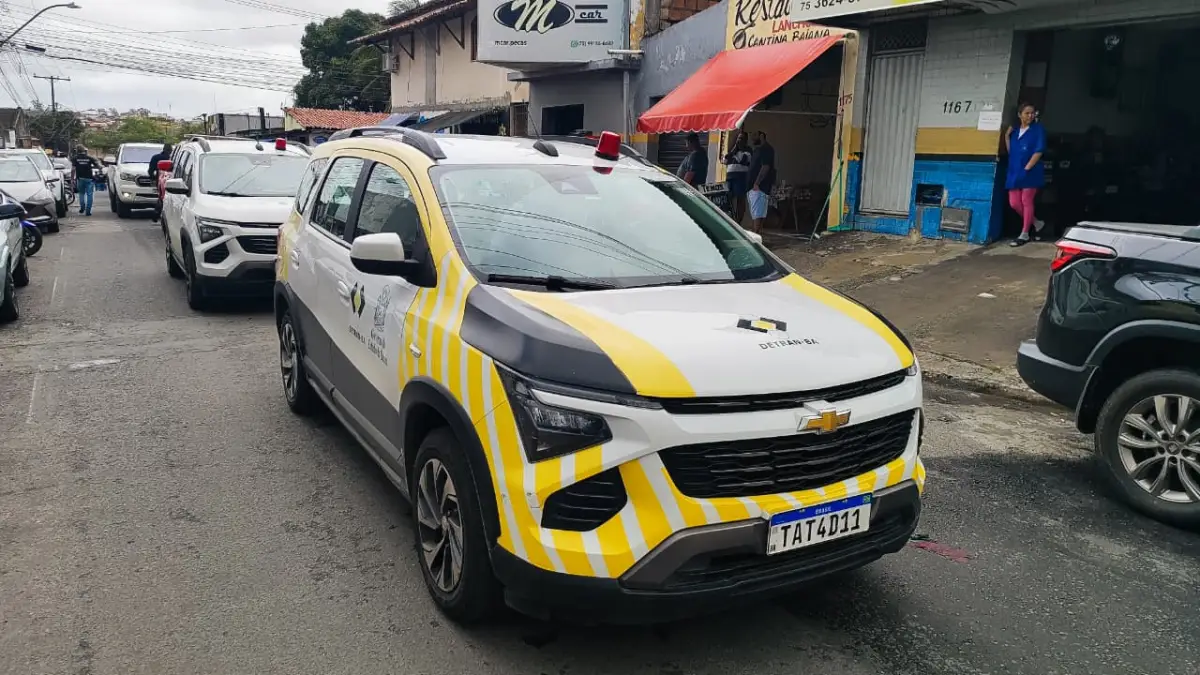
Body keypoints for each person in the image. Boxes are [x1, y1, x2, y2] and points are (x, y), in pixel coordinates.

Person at [1004, 103, 1046, 246]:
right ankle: (1037, 223)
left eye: (1032, 113)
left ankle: (1025, 233)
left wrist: (1027, 168)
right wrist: (1007, 137)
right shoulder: (1015, 132)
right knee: (1014, 203)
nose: (1030, 116)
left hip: (1030, 171)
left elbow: (1039, 151)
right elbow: (1011, 152)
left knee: (1026, 201)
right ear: (1019, 115)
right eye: (1027, 113)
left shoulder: (1037, 130)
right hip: (1014, 171)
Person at [746, 130, 775, 234]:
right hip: (755, 186)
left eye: (754, 135)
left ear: (761, 136)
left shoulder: (766, 149)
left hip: (759, 187)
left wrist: (757, 183)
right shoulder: (758, 150)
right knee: (757, 212)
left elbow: (765, 166)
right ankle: (756, 232)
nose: (752, 138)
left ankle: (755, 233)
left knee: (757, 212)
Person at [722, 131, 752, 223]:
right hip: (730, 176)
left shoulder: (748, 150)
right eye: (738, 138)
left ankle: (739, 221)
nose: (739, 140)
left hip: (740, 177)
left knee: (740, 198)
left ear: (746, 140)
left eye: (742, 138)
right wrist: (734, 149)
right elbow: (725, 160)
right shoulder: (733, 149)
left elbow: (742, 160)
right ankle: (730, 219)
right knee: (729, 198)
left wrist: (736, 152)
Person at [71, 145, 100, 217]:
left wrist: (72, 179)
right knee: (89, 195)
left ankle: (82, 207)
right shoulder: (89, 158)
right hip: (89, 179)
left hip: (80, 178)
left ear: (77, 151)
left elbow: (73, 169)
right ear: (84, 150)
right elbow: (98, 165)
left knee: (81, 194)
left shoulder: (75, 158)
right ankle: (88, 211)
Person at [147, 142, 173, 223]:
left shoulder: (156, 157)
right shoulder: (173, 158)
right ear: (171, 150)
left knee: (162, 198)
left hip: (161, 180)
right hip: (173, 180)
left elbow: (150, 171)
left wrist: (153, 178)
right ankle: (159, 215)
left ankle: (156, 214)